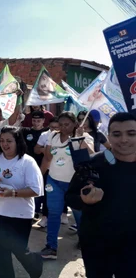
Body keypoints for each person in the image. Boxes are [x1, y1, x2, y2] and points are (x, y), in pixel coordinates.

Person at [65, 112, 136, 278]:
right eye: (117, 134)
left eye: (131, 133)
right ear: (109, 136)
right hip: (97, 244)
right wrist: (83, 200)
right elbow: (70, 197)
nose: (124, 139)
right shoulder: (92, 163)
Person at [0, 126, 44, 278]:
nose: (4, 144)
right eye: (2, 140)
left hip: (20, 215)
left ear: (18, 142)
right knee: (1, 251)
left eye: (9, 141)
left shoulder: (27, 162)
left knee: (20, 250)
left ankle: (35, 263)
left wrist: (13, 193)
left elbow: (36, 190)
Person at [39, 111, 94, 260]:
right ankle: (51, 247)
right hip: (54, 181)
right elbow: (48, 158)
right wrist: (39, 176)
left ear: (75, 124)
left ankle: (85, 241)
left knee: (79, 215)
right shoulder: (53, 136)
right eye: (61, 124)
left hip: (75, 185)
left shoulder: (84, 137)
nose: (63, 128)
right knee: (53, 213)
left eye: (67, 124)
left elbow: (92, 156)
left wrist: (79, 139)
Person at [34, 117, 69, 227]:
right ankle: (45, 217)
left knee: (64, 195)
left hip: (65, 172)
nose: (54, 129)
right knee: (47, 194)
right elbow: (36, 149)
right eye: (51, 127)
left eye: (56, 127)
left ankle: (63, 213)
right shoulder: (46, 135)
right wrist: (44, 150)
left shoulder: (69, 137)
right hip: (49, 170)